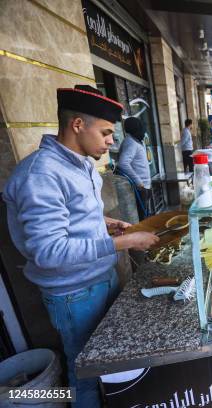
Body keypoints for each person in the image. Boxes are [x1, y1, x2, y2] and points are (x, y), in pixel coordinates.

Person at [2, 85, 159, 407]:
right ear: (77, 125)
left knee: (109, 365)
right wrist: (126, 241)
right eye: (105, 133)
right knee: (85, 373)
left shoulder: (83, 163)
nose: (111, 141)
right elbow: (49, 252)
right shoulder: (41, 173)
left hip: (101, 277)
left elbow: (75, 215)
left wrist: (106, 222)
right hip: (73, 293)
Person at [118, 116, 151, 220]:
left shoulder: (135, 140)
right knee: (142, 217)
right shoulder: (130, 142)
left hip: (144, 185)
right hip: (140, 187)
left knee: (145, 214)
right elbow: (123, 163)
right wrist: (138, 181)